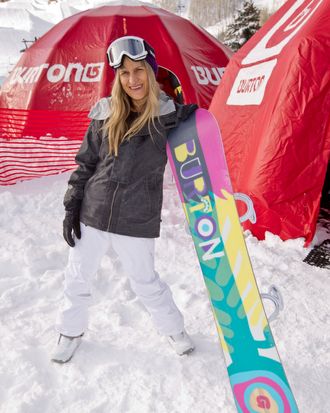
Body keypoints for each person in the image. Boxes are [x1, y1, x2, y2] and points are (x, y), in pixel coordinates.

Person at [51, 35, 198, 363]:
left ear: (150, 71)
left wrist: (197, 120)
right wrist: (72, 206)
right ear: (118, 77)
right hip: (94, 211)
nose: (132, 79)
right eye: (125, 73)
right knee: (77, 276)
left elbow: (195, 130)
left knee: (146, 282)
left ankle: (174, 329)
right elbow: (86, 164)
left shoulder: (167, 116)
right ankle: (70, 331)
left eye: (139, 70)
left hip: (137, 218)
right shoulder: (105, 114)